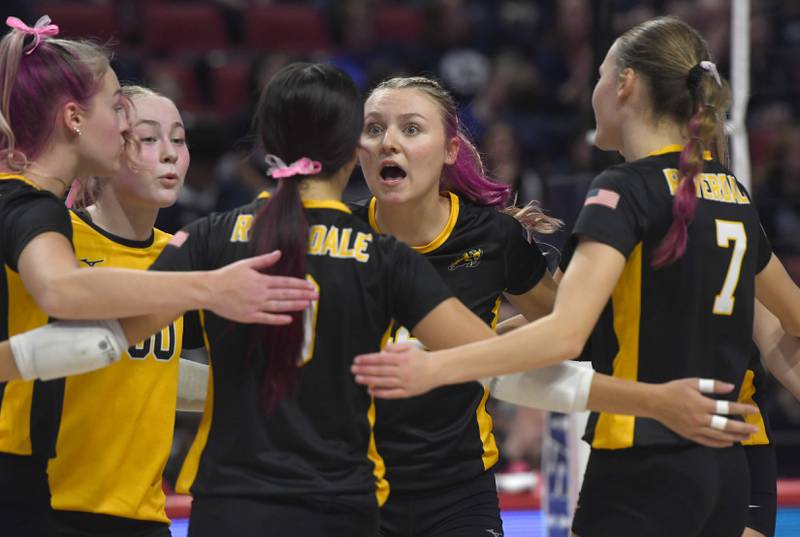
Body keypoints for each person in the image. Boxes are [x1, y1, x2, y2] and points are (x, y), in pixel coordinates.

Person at [352, 16, 800, 537]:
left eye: (600, 75)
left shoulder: (622, 191)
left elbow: (568, 332)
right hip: (727, 462)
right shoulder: (730, 194)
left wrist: (438, 365)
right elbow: (789, 320)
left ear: (624, 85)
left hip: (643, 456)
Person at [0, 15, 314, 536]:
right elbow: (63, 290)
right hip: (41, 498)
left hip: (111, 505)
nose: (123, 126)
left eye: (178, 137)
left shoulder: (35, 206)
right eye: (117, 107)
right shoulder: (29, 207)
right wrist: (206, 286)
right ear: (74, 118)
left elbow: (44, 353)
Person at [46, 85, 206, 537]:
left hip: (145, 516)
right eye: (150, 138)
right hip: (49, 508)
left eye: (179, 139)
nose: (171, 154)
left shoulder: (184, 258)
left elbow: (158, 373)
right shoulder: (54, 238)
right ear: (108, 146)